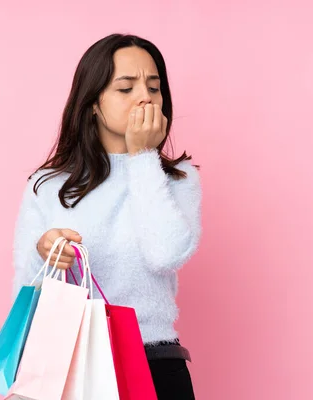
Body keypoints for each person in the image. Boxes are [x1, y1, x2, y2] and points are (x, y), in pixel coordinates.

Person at [12, 33, 202, 399]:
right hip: (69, 362)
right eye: (126, 88)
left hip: (153, 360)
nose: (145, 97)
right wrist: (45, 251)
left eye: (154, 87)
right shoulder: (48, 184)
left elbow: (165, 253)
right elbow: (25, 292)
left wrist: (143, 157)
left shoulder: (179, 178)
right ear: (93, 103)